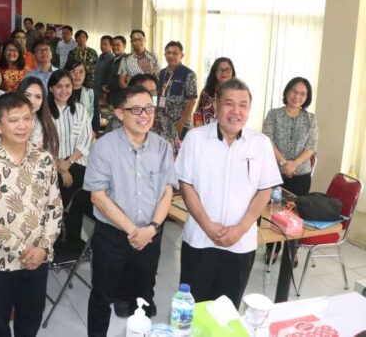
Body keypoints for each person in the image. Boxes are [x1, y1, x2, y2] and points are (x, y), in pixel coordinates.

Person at [175, 78, 282, 308]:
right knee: (191, 308)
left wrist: (241, 229)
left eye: (243, 105)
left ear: (249, 109)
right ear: (216, 106)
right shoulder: (195, 138)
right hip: (200, 240)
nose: (236, 111)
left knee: (227, 310)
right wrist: (207, 225)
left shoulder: (260, 143)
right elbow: (186, 186)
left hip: (240, 244)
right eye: (229, 103)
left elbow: (264, 191)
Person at [85, 85, 176, 335]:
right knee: (103, 295)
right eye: (136, 109)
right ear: (119, 112)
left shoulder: (162, 147)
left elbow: (167, 191)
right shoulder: (103, 147)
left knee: (145, 294)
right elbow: (98, 197)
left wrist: (152, 228)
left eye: (149, 108)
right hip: (112, 236)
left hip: (150, 235)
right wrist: (134, 231)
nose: (144, 114)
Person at [0, 92, 63, 337]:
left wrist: (43, 247)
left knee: (32, 314)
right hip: (0, 260)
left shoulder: (44, 160)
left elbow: (54, 206)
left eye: (27, 118)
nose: (22, 125)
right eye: (13, 120)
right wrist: (22, 250)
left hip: (38, 257)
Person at [262, 77, 318, 263]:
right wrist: (285, 163)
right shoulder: (274, 115)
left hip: (301, 174)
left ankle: (292, 249)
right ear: (286, 92)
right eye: (294, 91)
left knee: (296, 213)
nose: (297, 96)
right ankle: (273, 247)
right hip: (275, 172)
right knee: (274, 211)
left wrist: (294, 164)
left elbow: (311, 146)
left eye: (303, 94)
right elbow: (267, 140)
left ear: (307, 97)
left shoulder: (310, 119)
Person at [47, 69, 93, 244]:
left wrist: (69, 162)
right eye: (59, 86)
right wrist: (60, 166)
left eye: (67, 86)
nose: (64, 90)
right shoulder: (43, 111)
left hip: (77, 163)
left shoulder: (80, 109)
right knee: (55, 206)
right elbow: (43, 143)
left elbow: (86, 138)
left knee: (76, 205)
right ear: (51, 88)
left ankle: (73, 240)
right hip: (52, 165)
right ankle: (54, 241)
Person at [0, 77, 60, 157]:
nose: (32, 101)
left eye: (38, 97)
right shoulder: (4, 121)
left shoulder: (47, 123)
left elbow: (51, 157)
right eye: (27, 95)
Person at [156, 41, 197, 141]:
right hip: (161, 120)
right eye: (168, 53)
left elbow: (191, 101)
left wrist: (181, 123)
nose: (171, 55)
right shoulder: (161, 73)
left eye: (175, 53)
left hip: (178, 122)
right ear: (164, 55)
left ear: (181, 55)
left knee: (176, 151)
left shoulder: (188, 74)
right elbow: (155, 94)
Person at [193, 57, 236, 127]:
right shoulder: (206, 92)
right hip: (206, 131)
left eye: (227, 70)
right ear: (214, 72)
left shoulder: (238, 93)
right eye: (220, 70)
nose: (224, 72)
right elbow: (199, 111)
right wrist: (200, 127)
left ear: (232, 72)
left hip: (228, 132)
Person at [67, 59, 99, 133]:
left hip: (88, 138)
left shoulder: (91, 93)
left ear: (85, 73)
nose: (77, 75)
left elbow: (95, 124)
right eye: (73, 71)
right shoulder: (62, 93)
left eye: (81, 72)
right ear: (67, 73)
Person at [103, 35, 127, 105]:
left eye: (118, 45)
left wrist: (108, 87)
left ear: (124, 46)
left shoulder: (127, 60)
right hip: (110, 96)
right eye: (113, 45)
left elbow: (123, 81)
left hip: (121, 96)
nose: (115, 47)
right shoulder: (111, 60)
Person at [94, 35, 114, 104]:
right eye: (101, 44)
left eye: (105, 44)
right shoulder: (100, 57)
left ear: (111, 46)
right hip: (96, 90)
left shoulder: (111, 59)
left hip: (103, 93)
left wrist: (104, 93)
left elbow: (109, 78)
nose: (102, 46)